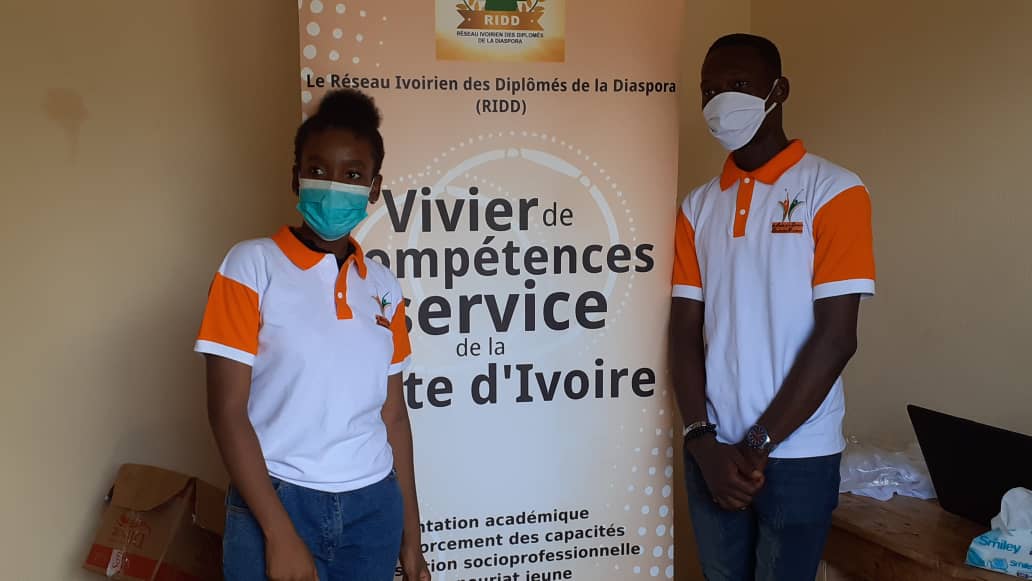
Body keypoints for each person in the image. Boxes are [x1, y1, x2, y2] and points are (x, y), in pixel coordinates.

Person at [195, 89, 431, 581]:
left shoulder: (383, 285)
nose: (333, 187)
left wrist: (412, 537)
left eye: (352, 175)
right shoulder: (251, 266)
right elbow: (227, 411)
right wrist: (279, 534)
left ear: (374, 187)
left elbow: (393, 415)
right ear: (296, 177)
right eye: (318, 170)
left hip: (374, 508)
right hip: (276, 501)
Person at [670, 34, 876, 580]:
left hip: (799, 453)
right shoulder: (697, 207)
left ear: (778, 90)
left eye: (739, 84)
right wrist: (701, 440)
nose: (720, 101)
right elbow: (683, 332)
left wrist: (758, 443)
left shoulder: (834, 191)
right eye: (709, 89)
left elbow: (837, 337)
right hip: (712, 455)